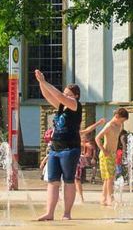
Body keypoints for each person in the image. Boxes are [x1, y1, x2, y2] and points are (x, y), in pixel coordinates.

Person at [34, 69, 82, 221]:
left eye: (69, 94)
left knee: (68, 180)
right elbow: (48, 95)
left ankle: (67, 213)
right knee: (53, 182)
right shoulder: (61, 107)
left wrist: (45, 81)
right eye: (66, 93)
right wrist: (41, 83)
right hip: (55, 149)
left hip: (70, 148)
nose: (66, 96)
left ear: (76, 96)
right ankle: (49, 213)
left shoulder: (75, 105)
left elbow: (60, 96)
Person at [95, 108, 129, 206]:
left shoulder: (119, 125)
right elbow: (97, 138)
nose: (123, 122)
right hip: (106, 154)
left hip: (113, 154)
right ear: (117, 116)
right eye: (122, 120)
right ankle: (110, 198)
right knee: (109, 178)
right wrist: (103, 150)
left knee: (109, 178)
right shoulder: (109, 125)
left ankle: (103, 198)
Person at [75, 118, 106, 203]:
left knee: (76, 179)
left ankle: (81, 198)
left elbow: (88, 130)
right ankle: (68, 198)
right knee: (68, 179)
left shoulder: (76, 133)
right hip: (69, 157)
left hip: (75, 158)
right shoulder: (69, 133)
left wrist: (98, 123)